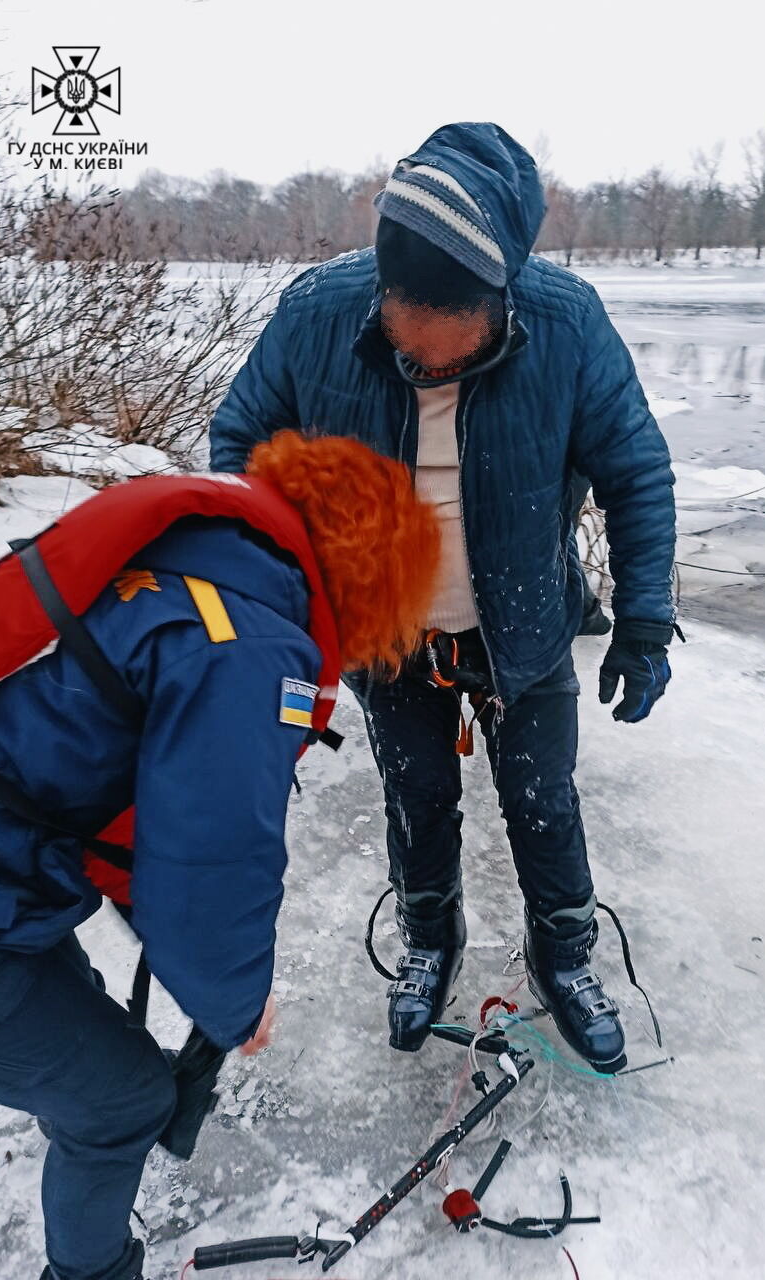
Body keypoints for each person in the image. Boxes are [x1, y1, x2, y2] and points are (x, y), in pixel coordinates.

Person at [210, 122, 679, 1074]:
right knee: (418, 798)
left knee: (544, 801)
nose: (426, 370)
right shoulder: (317, 315)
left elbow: (637, 473)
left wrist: (642, 620)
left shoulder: (568, 324)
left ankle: (567, 956)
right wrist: (276, 594)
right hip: (388, 636)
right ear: (382, 296)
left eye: (449, 358)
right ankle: (432, 939)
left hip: (524, 627)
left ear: (500, 302)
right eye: (407, 349)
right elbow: (238, 446)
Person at [0, 432, 440, 1280]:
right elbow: (209, 865)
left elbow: (138, 813)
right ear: (376, 579)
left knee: (84, 1024)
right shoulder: (249, 645)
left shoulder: (185, 572)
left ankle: (77, 1146)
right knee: (125, 1100)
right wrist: (237, 1003)